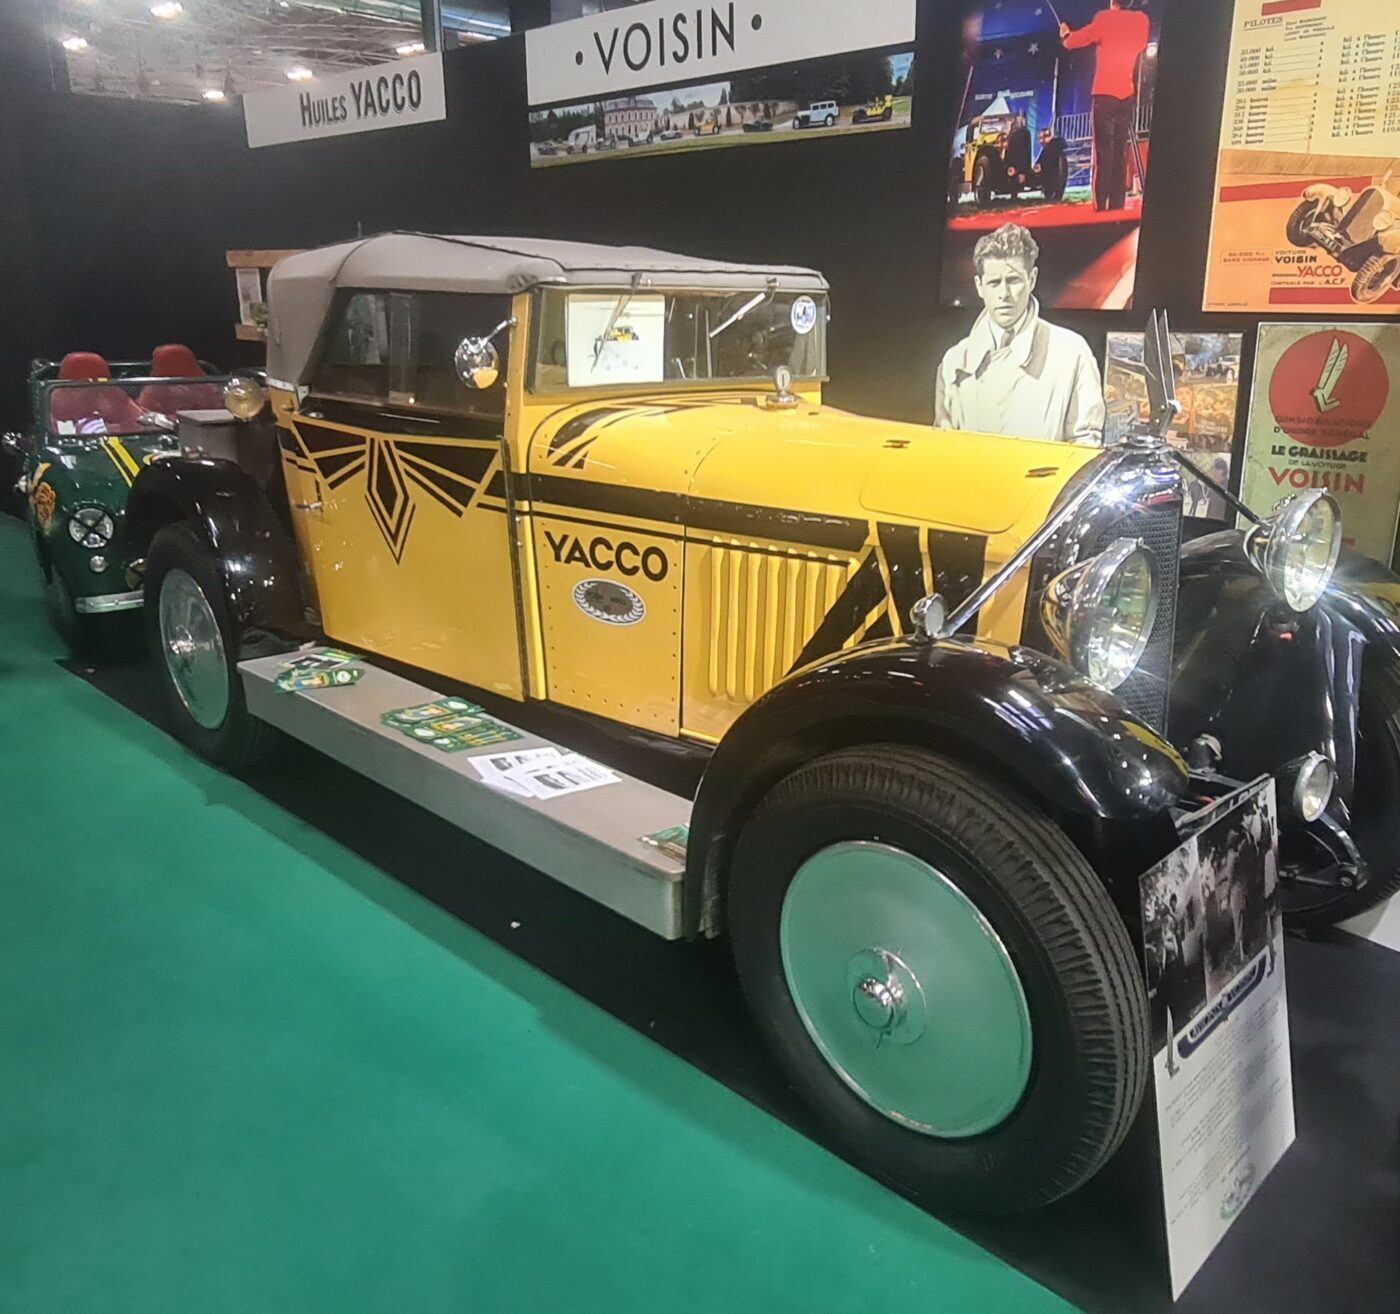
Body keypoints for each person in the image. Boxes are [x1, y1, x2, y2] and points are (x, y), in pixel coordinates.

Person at [935, 223, 1105, 443]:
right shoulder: (954, 361)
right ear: (979, 286)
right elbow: (944, 447)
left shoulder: (1072, 353)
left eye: (1013, 280)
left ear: (1032, 279)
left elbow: (1085, 444)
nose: (1004, 294)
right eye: (994, 283)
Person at [1061, 0, 1150, 212]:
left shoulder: (1104, 18)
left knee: (1103, 153)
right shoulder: (1141, 21)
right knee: (1120, 153)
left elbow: (1075, 41)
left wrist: (1065, 35)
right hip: (1126, 95)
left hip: (1104, 94)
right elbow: (1140, 45)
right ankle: (1117, 205)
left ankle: (1101, 206)